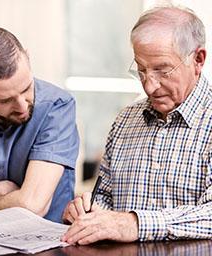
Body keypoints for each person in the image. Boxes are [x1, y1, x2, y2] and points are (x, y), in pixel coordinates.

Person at [62, 5, 212, 244]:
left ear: (198, 59)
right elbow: (105, 197)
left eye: (162, 70)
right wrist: (88, 211)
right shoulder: (125, 120)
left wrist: (136, 223)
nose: (149, 86)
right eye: (141, 70)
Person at [0, 26, 79, 223]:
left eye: (26, 88)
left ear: (28, 59)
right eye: (5, 100)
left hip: (46, 248)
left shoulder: (57, 106)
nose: (22, 106)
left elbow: (32, 205)